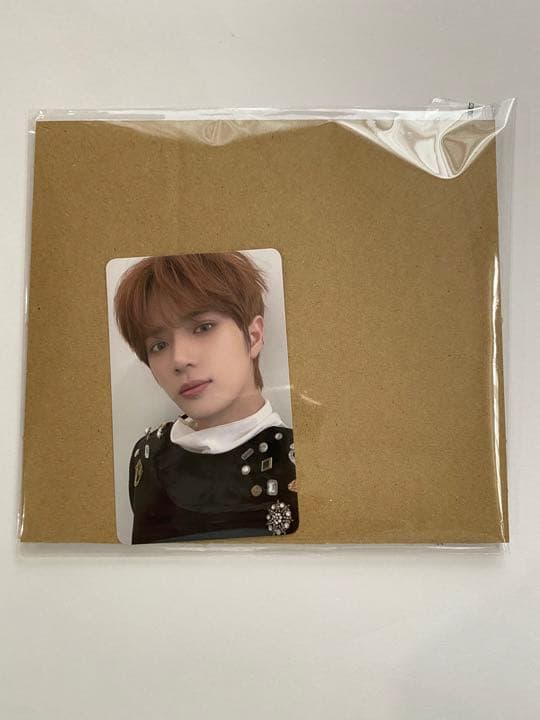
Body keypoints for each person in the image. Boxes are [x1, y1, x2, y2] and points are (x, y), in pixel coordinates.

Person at [113, 252, 299, 544]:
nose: (179, 359)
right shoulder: (147, 456)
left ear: (253, 336)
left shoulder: (300, 460)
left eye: (203, 327)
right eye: (158, 345)